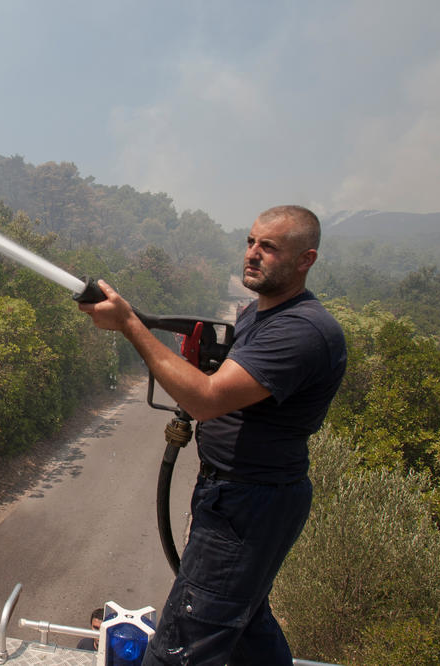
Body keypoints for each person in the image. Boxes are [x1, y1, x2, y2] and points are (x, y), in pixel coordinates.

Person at [78, 205, 346, 665]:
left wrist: (129, 325)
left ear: (306, 260)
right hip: (238, 497)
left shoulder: (303, 331)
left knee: (182, 646)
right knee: (246, 627)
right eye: (250, 242)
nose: (253, 254)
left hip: (248, 506)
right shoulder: (256, 316)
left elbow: (205, 399)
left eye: (269, 247)